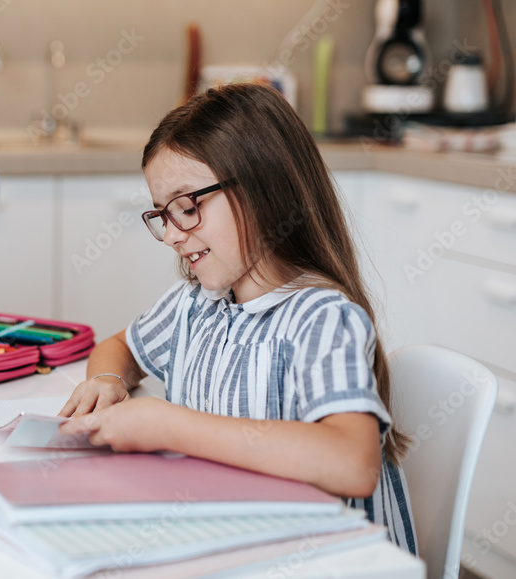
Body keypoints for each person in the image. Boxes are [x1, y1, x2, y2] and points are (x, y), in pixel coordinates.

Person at [59, 83, 416, 554]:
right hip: (235, 545)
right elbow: (120, 347)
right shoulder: (194, 305)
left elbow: (353, 462)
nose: (170, 235)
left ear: (262, 188)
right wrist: (106, 379)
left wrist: (167, 424)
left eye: (187, 207)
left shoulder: (322, 319)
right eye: (162, 215)